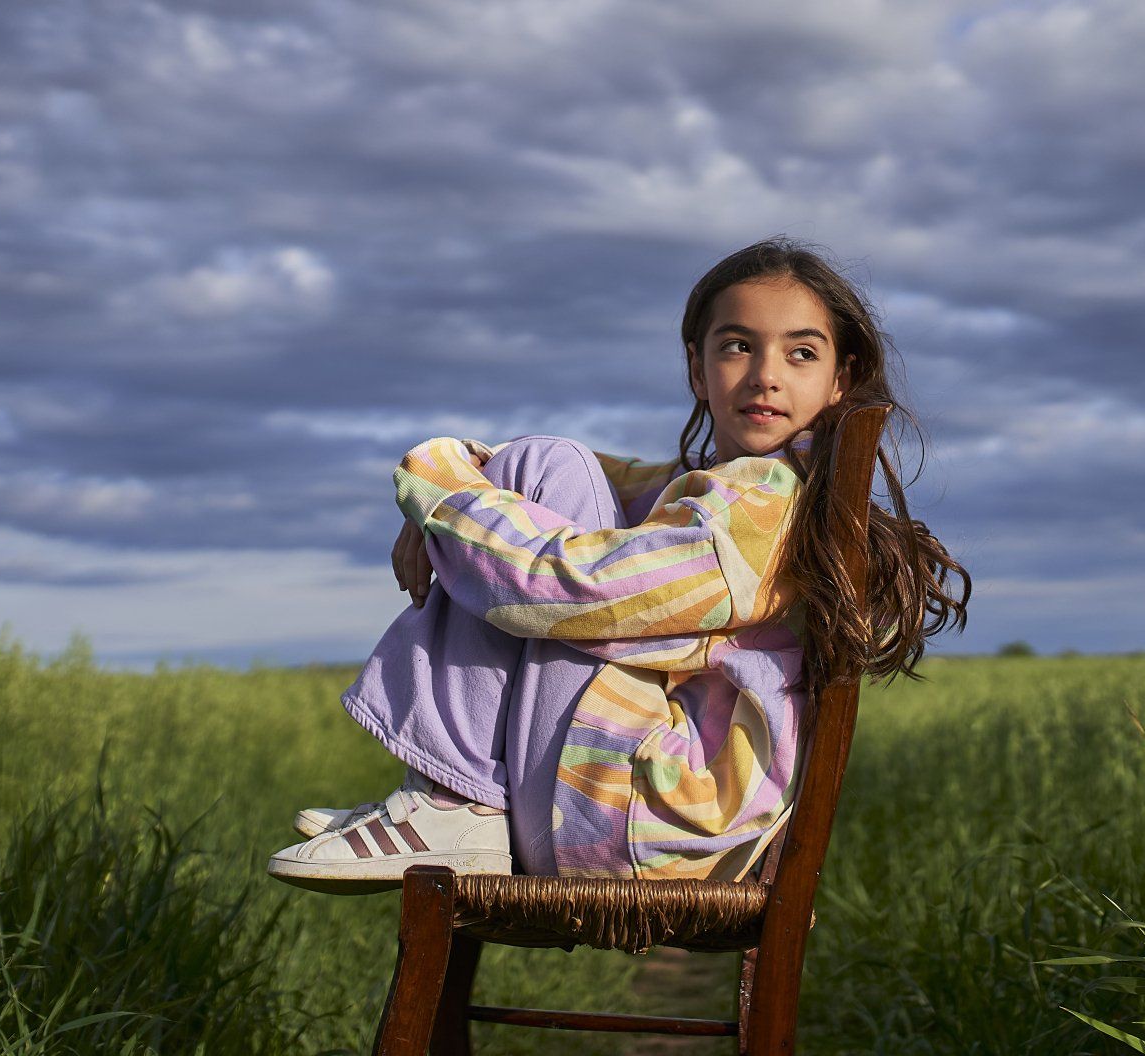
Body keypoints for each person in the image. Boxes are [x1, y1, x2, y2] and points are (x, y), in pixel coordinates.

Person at [267, 236, 970, 888]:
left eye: (801, 353)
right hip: (631, 819)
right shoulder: (727, 490)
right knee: (535, 469)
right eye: (736, 347)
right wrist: (456, 496)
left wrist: (442, 493)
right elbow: (596, 484)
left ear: (842, 378)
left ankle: (456, 802)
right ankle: (453, 799)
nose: (765, 376)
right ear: (698, 369)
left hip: (645, 822)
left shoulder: (762, 510)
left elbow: (560, 587)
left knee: (537, 487)